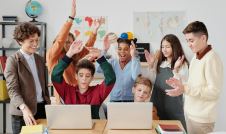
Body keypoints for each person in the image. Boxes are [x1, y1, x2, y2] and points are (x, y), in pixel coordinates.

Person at [165, 21, 223, 134]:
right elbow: (194, 85)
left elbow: (214, 92)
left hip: (202, 120)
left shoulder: (212, 59)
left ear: (203, 38)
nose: (188, 44)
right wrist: (180, 84)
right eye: (187, 41)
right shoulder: (196, 57)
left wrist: (185, 89)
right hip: (191, 115)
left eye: (191, 40)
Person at [4, 22, 51, 134]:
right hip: (23, 112)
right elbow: (12, 89)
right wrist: (24, 109)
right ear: (20, 41)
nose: (35, 44)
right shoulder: (12, 61)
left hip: (42, 109)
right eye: (31, 41)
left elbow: (42, 85)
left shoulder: (39, 59)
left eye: (37, 40)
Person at [51, 40, 116, 119]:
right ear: (76, 76)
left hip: (93, 130)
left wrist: (101, 57)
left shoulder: (98, 92)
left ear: (92, 78)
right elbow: (55, 75)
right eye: (81, 75)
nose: (84, 79)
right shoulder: (68, 91)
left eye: (87, 76)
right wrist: (69, 54)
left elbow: (111, 78)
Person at [46, 0, 104, 86]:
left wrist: (95, 30)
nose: (68, 45)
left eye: (71, 42)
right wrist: (71, 18)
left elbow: (87, 48)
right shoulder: (53, 56)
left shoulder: (75, 55)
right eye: (66, 42)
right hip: (62, 97)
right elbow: (60, 40)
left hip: (77, 94)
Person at [144, 34, 189, 129]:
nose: (164, 49)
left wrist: (175, 70)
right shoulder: (160, 63)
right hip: (157, 106)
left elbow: (182, 87)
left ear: (175, 47)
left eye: (167, 47)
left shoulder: (182, 64)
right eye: (162, 47)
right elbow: (151, 82)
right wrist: (151, 66)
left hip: (174, 107)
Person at [97, 32, 141, 102]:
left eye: (126, 49)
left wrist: (133, 56)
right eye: (119, 49)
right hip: (114, 101)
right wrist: (104, 50)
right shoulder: (112, 62)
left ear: (131, 50)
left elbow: (136, 77)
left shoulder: (135, 62)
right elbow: (98, 69)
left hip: (130, 101)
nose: (122, 52)